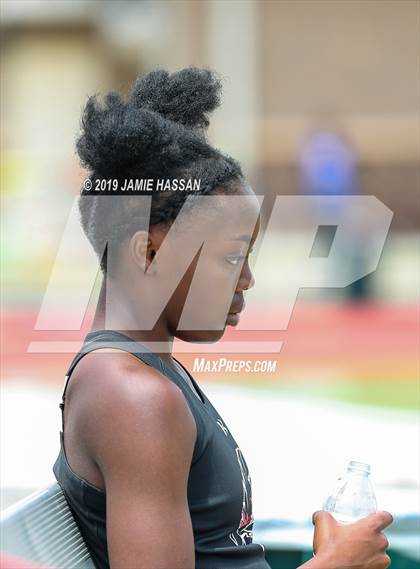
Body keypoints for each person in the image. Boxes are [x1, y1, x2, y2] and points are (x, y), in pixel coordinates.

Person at [52, 67, 392, 569]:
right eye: (232, 257)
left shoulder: (142, 374)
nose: (247, 279)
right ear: (147, 252)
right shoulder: (133, 396)